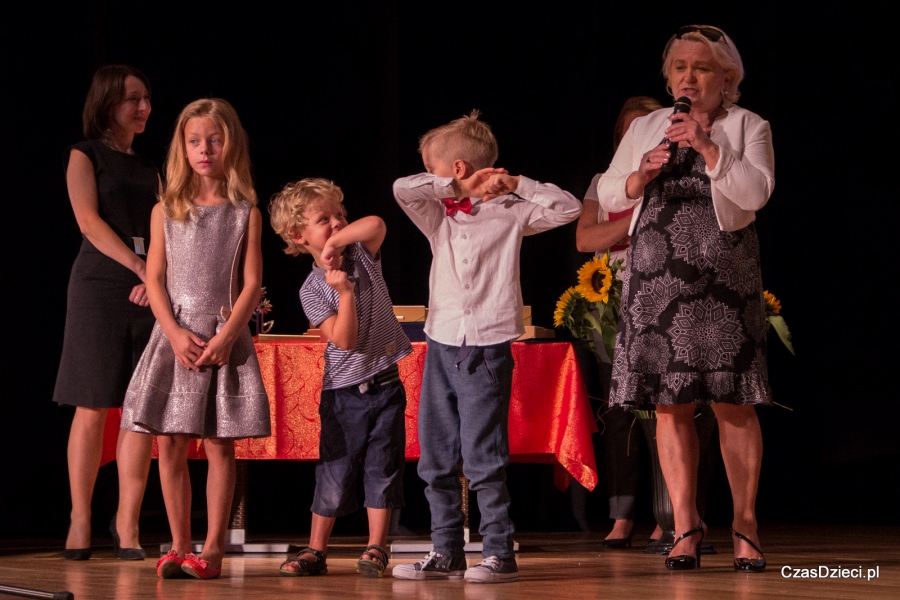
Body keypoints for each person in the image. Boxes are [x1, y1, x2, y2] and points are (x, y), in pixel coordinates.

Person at [597, 25, 774, 571]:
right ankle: (685, 525)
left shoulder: (749, 125)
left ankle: (744, 523)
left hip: (724, 278)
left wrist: (707, 146)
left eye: (701, 69)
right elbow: (606, 192)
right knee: (670, 405)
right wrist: (636, 176)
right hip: (656, 280)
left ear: (727, 78)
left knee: (731, 403)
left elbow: (755, 193)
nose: (688, 78)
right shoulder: (650, 125)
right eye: (679, 68)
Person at [392, 111, 582, 583]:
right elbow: (402, 187)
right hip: (440, 342)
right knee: (436, 456)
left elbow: (568, 208)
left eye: (434, 167)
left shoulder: (512, 208)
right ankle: (446, 551)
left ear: (454, 164)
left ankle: (499, 551)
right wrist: (455, 190)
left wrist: (515, 180)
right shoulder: (438, 211)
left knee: (482, 455)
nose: (429, 176)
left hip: (487, 344)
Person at [120, 98, 271, 580]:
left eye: (214, 139)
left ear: (231, 144)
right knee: (170, 441)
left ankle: (213, 550)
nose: (204, 149)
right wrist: (172, 331)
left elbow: (251, 284)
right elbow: (157, 278)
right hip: (176, 335)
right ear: (182, 148)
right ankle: (179, 544)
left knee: (220, 444)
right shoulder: (165, 209)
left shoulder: (246, 211)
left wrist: (229, 336)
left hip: (223, 335)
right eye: (194, 141)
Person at [268, 178, 413, 578]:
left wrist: (335, 241)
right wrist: (344, 294)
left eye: (340, 214)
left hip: (385, 384)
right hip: (343, 393)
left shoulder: (362, 255)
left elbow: (377, 224)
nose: (337, 223)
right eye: (323, 219)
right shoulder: (312, 289)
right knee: (334, 470)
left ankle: (376, 547)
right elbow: (345, 341)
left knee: (383, 468)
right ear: (299, 236)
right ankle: (316, 549)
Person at [54, 65, 157, 561]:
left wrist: (153, 277)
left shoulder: (153, 167)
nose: (143, 108)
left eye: (146, 99)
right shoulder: (85, 154)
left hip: (147, 286)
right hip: (100, 283)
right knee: (93, 403)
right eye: (132, 99)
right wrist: (138, 266)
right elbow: (88, 221)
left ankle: (128, 524)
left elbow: (168, 230)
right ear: (107, 102)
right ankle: (80, 518)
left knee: (139, 410)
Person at [577, 96, 664, 549]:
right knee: (620, 412)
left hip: (666, 296)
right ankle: (621, 514)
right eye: (632, 132)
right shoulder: (602, 183)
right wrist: (637, 222)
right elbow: (585, 237)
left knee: (672, 409)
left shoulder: (674, 175)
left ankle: (670, 514)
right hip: (610, 301)